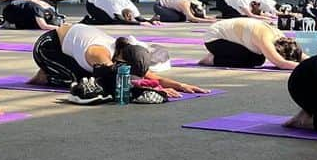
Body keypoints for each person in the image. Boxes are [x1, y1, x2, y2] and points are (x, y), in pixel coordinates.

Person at [28, 23, 204, 101]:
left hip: (71, 50)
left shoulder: (123, 52)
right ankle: (45, 75)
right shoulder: (100, 53)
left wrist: (180, 85)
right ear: (120, 58)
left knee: (94, 75)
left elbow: (149, 75)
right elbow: (113, 83)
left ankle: (52, 71)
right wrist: (153, 90)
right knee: (83, 82)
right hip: (49, 47)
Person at [198, 17, 301, 70]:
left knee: (258, 59)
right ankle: (211, 59)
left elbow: (300, 55)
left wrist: (314, 62)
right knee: (248, 60)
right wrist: (304, 67)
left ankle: (222, 54)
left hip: (230, 35)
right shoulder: (265, 39)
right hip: (214, 38)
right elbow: (281, 63)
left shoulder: (280, 36)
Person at [85, 0, 154, 25]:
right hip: (91, 3)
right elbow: (121, 20)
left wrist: (151, 21)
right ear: (124, 16)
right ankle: (87, 21)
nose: (131, 19)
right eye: (129, 18)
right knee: (109, 21)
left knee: (114, 20)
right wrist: (138, 24)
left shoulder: (131, 6)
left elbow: (140, 18)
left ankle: (94, 18)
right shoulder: (115, 7)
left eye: (130, 17)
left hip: (103, 2)